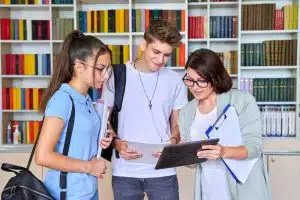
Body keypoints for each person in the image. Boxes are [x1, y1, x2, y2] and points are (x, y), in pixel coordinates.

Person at [101, 19, 188, 200]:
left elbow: (177, 123)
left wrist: (172, 142)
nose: (160, 60)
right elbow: (105, 120)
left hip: (163, 171)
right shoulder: (116, 76)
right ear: (143, 45)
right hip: (125, 173)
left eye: (166, 55)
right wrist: (117, 142)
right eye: (156, 52)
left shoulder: (175, 81)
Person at [178, 48, 272, 200]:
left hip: (243, 191)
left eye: (201, 81)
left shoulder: (242, 101)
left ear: (215, 78)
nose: (194, 87)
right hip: (208, 191)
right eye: (189, 79)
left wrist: (223, 152)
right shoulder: (186, 112)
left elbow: (255, 147)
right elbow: (193, 165)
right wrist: (182, 153)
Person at [35, 30, 113, 200]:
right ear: (79, 67)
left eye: (108, 69)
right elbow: (42, 156)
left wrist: (105, 134)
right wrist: (89, 167)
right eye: (100, 69)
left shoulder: (86, 99)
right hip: (67, 194)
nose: (105, 76)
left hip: (89, 192)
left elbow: (80, 141)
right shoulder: (62, 100)